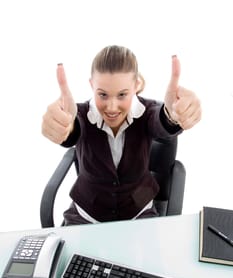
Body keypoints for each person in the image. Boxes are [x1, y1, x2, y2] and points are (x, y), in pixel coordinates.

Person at [42, 45, 201, 225]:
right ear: (92, 85)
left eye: (122, 95)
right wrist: (64, 127)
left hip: (138, 211)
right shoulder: (81, 115)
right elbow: (73, 128)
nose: (111, 107)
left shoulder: (147, 113)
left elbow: (161, 122)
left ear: (136, 86)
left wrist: (172, 116)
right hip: (87, 214)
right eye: (102, 95)